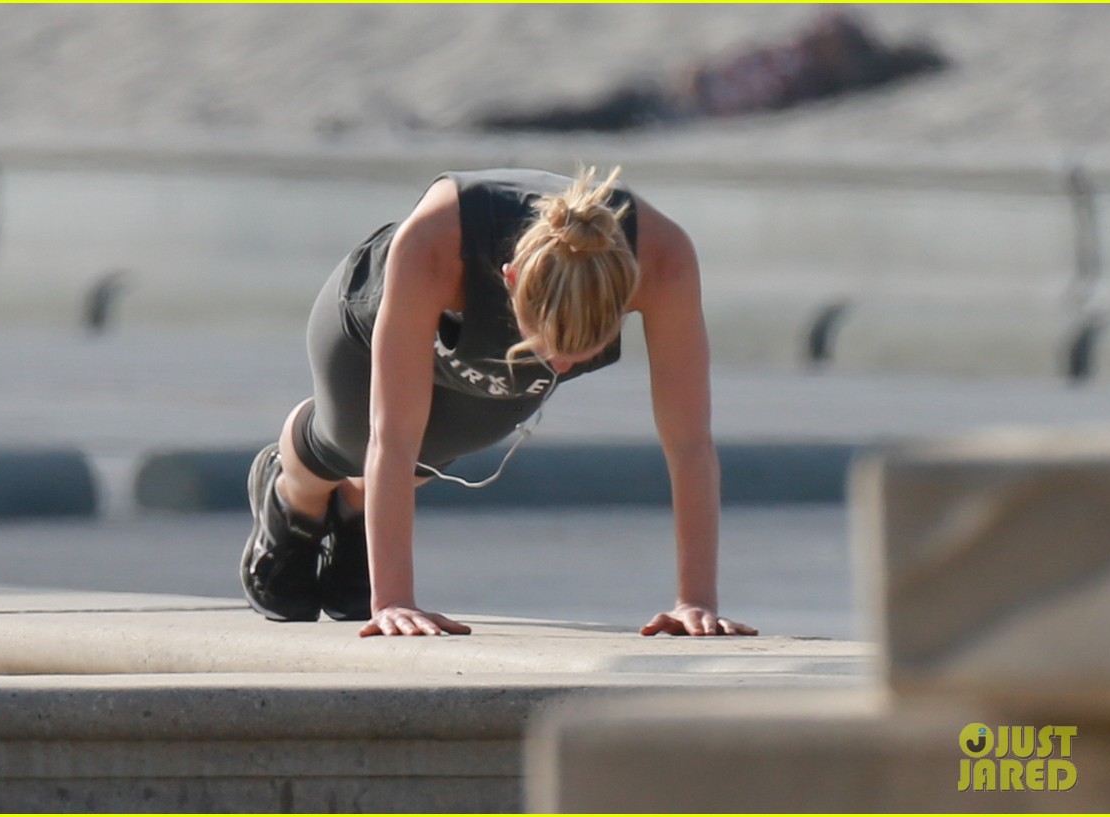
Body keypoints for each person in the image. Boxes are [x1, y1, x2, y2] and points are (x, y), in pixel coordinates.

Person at [241, 166, 757, 639]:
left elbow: (689, 441)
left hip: (486, 357)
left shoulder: (664, 260)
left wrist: (696, 601)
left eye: (581, 354)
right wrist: (395, 601)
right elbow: (391, 438)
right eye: (548, 346)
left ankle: (355, 515)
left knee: (443, 445)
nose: (558, 368)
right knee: (351, 441)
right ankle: (294, 496)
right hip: (366, 319)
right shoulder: (437, 243)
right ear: (510, 280)